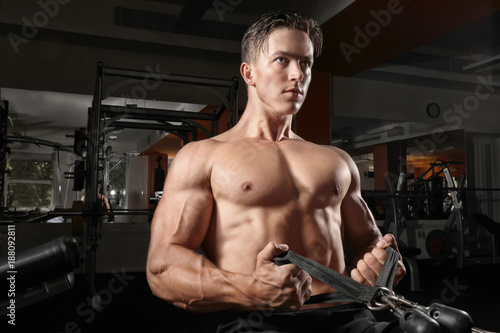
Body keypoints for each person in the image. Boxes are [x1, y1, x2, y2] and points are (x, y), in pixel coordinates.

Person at [146, 10, 406, 332]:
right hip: (256, 320)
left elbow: (369, 241)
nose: (298, 74)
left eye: (306, 63)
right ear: (249, 73)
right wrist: (251, 290)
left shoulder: (337, 160)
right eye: (282, 60)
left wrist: (382, 264)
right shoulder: (202, 157)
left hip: (348, 316)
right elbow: (163, 267)